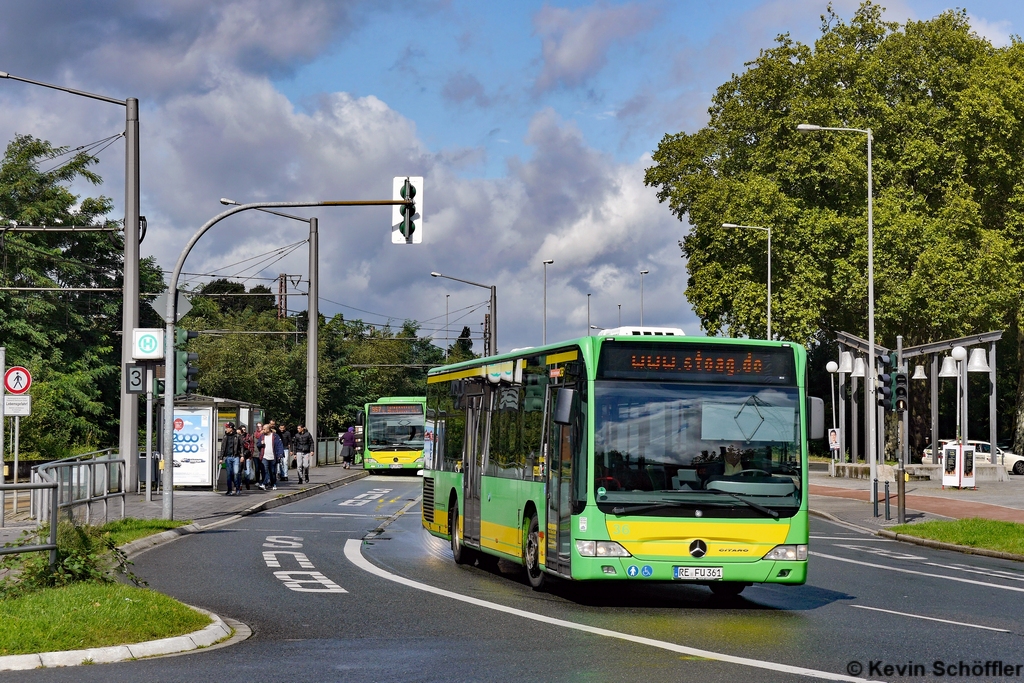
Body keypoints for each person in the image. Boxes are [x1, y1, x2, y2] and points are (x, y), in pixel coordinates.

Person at [220, 422, 242, 495]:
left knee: (236, 473)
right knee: (229, 474)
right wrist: (221, 458)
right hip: (228, 457)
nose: (226, 429)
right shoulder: (225, 436)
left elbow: (241, 447)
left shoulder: (237, 436)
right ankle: (229, 490)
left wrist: (242, 456)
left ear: (231, 428)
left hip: (235, 457)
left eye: (227, 427)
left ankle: (237, 488)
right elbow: (223, 448)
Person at [260, 424, 283, 490]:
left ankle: (274, 483)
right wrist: (261, 443)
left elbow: (279, 445)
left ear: (268, 429)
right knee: (265, 470)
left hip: (273, 457)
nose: (263, 430)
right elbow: (258, 444)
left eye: (264, 429)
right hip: (264, 456)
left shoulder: (275, 436)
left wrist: (280, 454)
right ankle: (264, 483)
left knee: (273, 472)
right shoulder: (262, 436)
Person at [239, 425, 254, 490]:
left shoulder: (248, 437)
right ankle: (240, 485)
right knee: (239, 471)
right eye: (242, 429)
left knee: (247, 472)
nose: (244, 431)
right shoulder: (238, 437)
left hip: (247, 456)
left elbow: (252, 446)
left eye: (245, 429)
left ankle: (247, 483)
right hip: (239, 457)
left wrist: (250, 456)